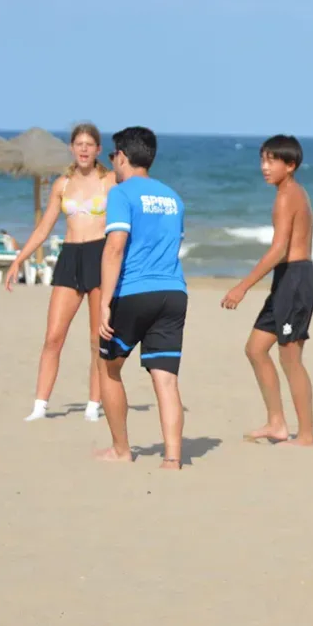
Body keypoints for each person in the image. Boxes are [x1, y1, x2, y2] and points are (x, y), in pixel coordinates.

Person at [5, 123, 116, 422]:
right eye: (78, 144)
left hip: (99, 256)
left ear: (97, 150)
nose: (83, 149)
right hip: (69, 258)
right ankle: (40, 405)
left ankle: (94, 404)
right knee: (53, 337)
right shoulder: (61, 184)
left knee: (97, 340)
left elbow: (129, 221)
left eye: (88, 144)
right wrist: (19, 260)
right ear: (71, 147)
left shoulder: (111, 182)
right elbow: (44, 228)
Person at [96, 127, 187, 471]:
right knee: (165, 378)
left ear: (122, 155)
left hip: (134, 291)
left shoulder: (122, 193)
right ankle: (172, 459)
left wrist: (105, 302)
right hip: (174, 292)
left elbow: (115, 247)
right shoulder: (173, 197)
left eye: (112, 157)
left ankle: (121, 449)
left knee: (108, 367)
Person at [221, 135, 313, 447]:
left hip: (296, 280)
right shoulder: (290, 192)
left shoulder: (287, 196)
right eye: (262, 159)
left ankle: (306, 435)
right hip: (287, 280)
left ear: (289, 166)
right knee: (255, 348)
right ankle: (277, 423)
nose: (264, 167)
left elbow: (279, 250)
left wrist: (243, 286)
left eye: (271, 161)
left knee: (290, 358)